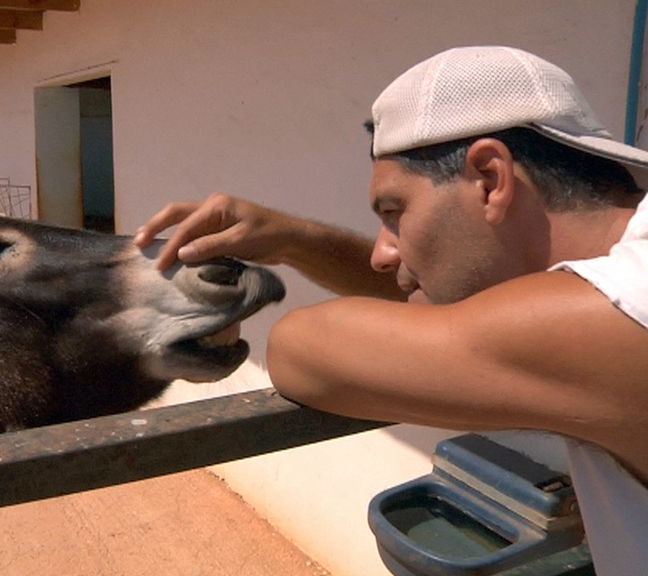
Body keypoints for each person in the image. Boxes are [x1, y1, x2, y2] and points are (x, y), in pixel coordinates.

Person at [133, 46, 648, 574]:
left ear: (490, 179)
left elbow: (303, 351)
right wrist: (297, 241)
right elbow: (453, 317)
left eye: (394, 211)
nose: (383, 254)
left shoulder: (622, 308)